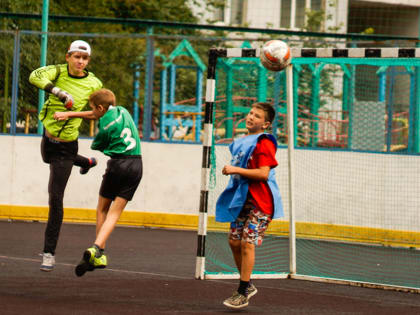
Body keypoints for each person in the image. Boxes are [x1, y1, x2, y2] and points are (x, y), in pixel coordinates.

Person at [29, 40, 102, 272]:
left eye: (85, 58)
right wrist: (59, 92)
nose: (80, 61)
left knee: (55, 197)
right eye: (76, 56)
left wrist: (72, 113)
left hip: (67, 145)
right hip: (48, 140)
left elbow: (100, 111)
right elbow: (34, 76)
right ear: (68, 56)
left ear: (88, 61)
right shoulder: (57, 71)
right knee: (47, 159)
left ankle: (49, 252)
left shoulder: (94, 83)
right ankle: (87, 161)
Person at [54, 89, 142, 277]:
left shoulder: (105, 126)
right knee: (116, 213)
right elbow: (97, 113)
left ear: (100, 108)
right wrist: (71, 113)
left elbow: (97, 145)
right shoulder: (123, 111)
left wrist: (69, 115)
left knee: (103, 209)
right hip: (136, 165)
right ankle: (97, 252)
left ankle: (98, 249)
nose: (92, 112)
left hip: (117, 165)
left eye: (93, 108)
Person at [215, 102, 284, 309]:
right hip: (243, 200)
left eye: (257, 116)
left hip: (262, 202)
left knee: (247, 243)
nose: (251, 117)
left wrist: (235, 169)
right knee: (234, 242)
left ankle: (242, 291)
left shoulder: (264, 143)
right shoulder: (243, 141)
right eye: (251, 113)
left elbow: (263, 174)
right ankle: (248, 284)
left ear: (266, 124)